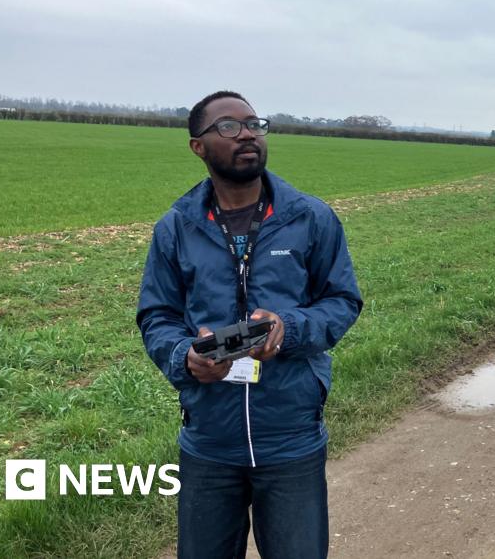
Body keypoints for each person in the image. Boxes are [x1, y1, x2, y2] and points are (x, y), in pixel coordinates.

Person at [138, 90, 363, 558]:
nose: (246, 133)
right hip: (209, 439)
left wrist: (291, 328)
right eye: (227, 126)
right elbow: (157, 316)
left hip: (290, 436)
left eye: (254, 123)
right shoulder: (176, 227)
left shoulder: (310, 218)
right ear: (198, 146)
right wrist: (186, 357)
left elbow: (341, 300)